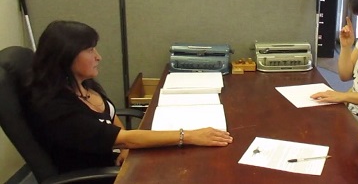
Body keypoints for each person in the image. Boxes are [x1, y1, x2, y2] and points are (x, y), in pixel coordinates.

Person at [28, 20, 233, 174]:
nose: (98, 57)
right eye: (90, 50)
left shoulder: (82, 84)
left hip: (120, 159)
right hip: (100, 173)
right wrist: (189, 136)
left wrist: (125, 147)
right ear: (66, 56)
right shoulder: (56, 108)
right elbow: (123, 138)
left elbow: (112, 120)